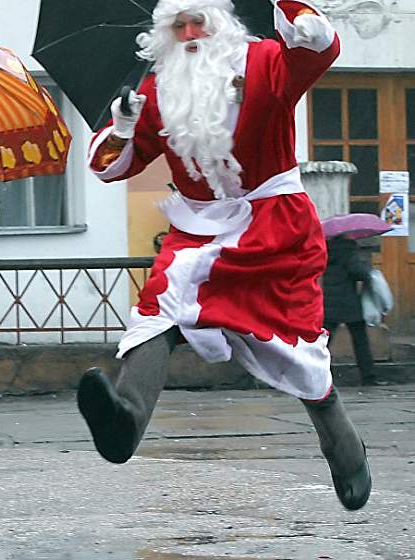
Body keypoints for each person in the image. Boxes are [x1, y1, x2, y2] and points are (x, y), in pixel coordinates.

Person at [78, 0, 371, 511]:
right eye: (178, 25)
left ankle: (344, 449)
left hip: (273, 227)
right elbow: (108, 168)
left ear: (221, 24)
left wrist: (297, 13)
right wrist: (123, 126)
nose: (190, 32)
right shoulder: (156, 89)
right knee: (158, 313)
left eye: (199, 21)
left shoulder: (262, 63)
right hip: (197, 230)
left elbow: (318, 52)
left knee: (297, 346)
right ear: (165, 33)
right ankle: (124, 421)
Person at [322, 235, 378, 385]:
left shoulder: (324, 249)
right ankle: (368, 376)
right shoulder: (349, 250)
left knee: (323, 342)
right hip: (349, 302)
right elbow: (358, 272)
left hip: (329, 302)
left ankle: (319, 375)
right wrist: (367, 267)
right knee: (360, 341)